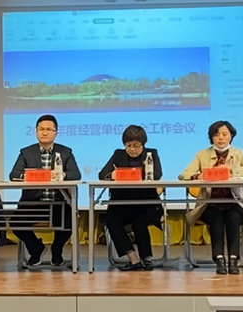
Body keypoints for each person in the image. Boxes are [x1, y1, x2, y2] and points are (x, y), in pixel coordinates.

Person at [178, 120, 243, 275]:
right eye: (216, 135)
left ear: (231, 136)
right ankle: (219, 259)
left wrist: (231, 170)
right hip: (209, 204)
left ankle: (234, 259)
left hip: (233, 202)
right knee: (216, 218)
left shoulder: (239, 154)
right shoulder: (202, 154)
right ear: (211, 138)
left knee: (234, 217)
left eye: (224, 134)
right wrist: (197, 176)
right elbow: (183, 175)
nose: (220, 138)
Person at [9, 114, 81, 267]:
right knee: (15, 222)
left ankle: (57, 250)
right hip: (33, 204)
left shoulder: (65, 152)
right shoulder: (26, 152)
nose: (44, 132)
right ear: (35, 131)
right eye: (41, 129)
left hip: (59, 203)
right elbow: (14, 175)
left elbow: (76, 174)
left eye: (49, 129)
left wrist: (61, 175)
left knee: (70, 221)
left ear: (56, 132)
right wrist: (31, 175)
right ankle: (36, 249)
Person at [98, 125, 163, 271]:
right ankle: (133, 259)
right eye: (128, 145)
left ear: (143, 144)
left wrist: (131, 174)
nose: (132, 149)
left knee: (140, 223)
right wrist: (112, 175)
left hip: (146, 204)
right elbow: (102, 175)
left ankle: (147, 259)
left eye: (136, 145)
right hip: (122, 204)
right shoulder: (118, 155)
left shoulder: (151, 154)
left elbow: (157, 174)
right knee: (112, 221)